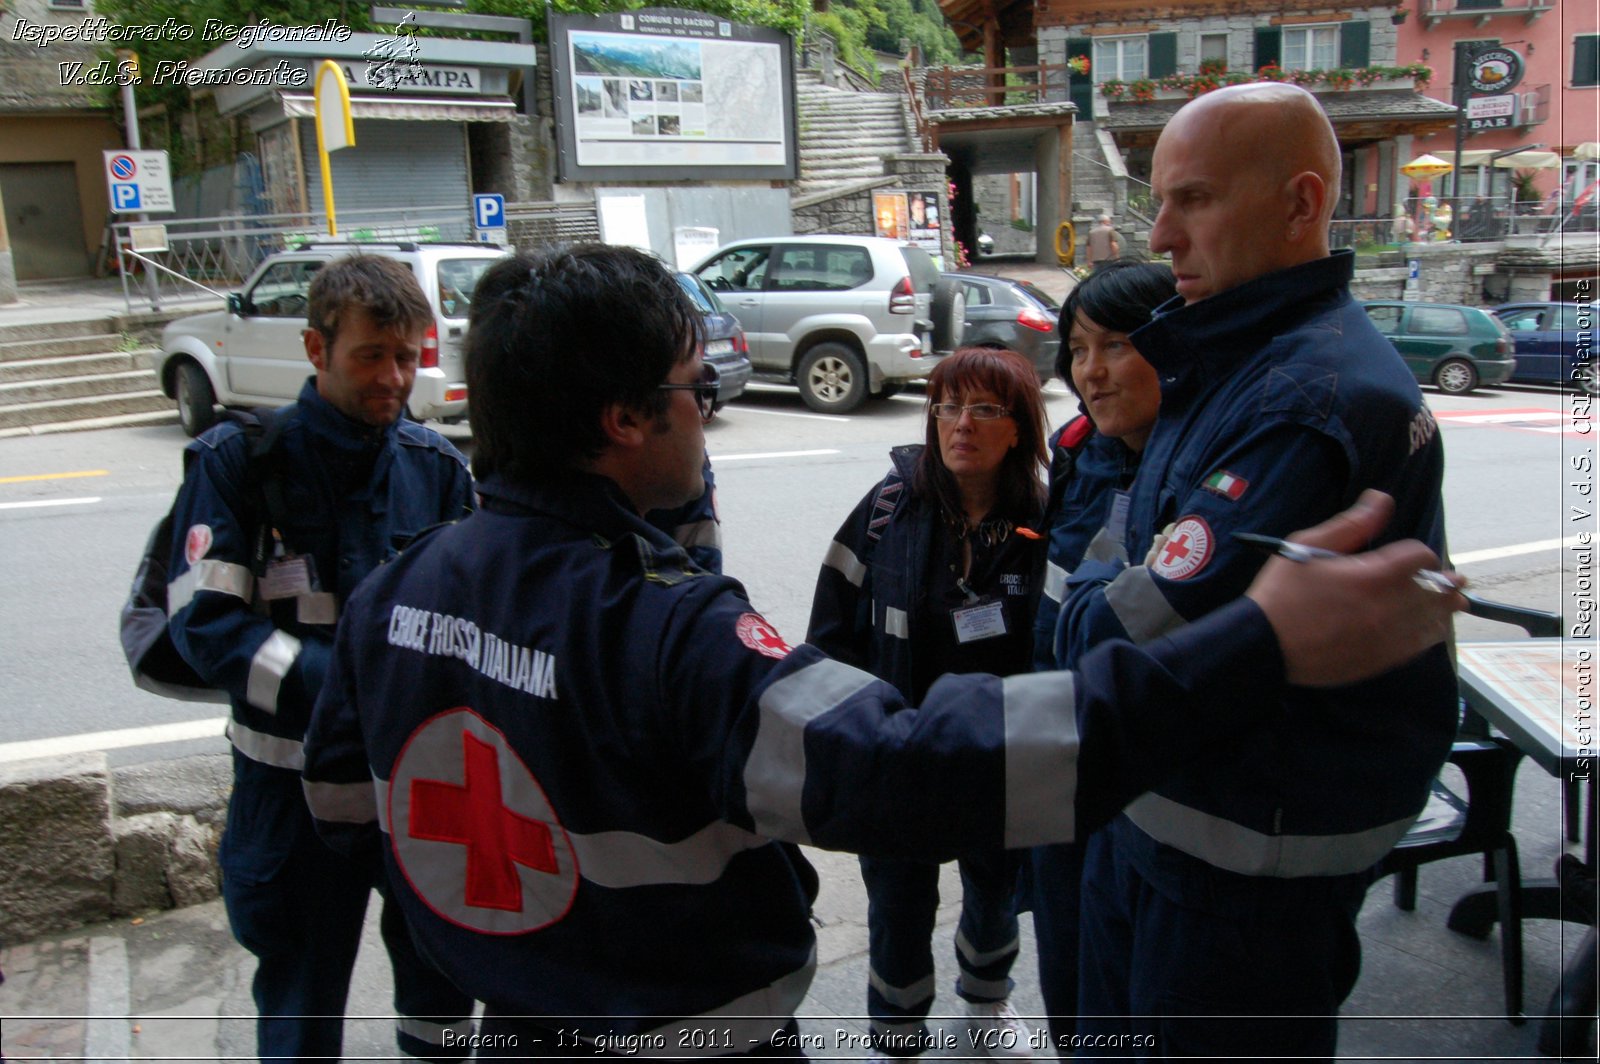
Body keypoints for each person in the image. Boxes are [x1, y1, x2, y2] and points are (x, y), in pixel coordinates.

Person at [299, 243, 1463, 1060]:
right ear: (623, 418)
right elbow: (905, 769)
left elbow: (348, 806)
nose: (706, 413)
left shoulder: (395, 589)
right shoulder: (662, 625)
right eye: (695, 389)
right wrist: (1255, 643)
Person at [1056, 83, 1459, 1059]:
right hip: (1174, 823)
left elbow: (1117, 633)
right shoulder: (1243, 356)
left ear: (1300, 202)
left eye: (1191, 200)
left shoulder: (1304, 396)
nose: (1160, 236)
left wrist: (1072, 603)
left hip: (1233, 864)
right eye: (1157, 202)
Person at [165, 254, 477, 1061]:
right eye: (370, 355)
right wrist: (335, 689)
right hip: (289, 791)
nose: (394, 378)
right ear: (315, 349)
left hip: (412, 789)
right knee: (301, 1004)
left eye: (408, 356)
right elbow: (204, 627)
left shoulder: (437, 470)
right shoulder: (238, 464)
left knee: (443, 989)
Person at [807, 347, 1050, 1059]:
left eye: (983, 409)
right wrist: (847, 738)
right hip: (899, 753)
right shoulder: (889, 507)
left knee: (994, 890)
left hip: (999, 755)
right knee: (899, 905)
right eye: (946, 406)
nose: (959, 425)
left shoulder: (1046, 516)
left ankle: (986, 1003)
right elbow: (829, 629)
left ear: (1020, 427)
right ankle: (896, 1035)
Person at [1027, 260, 1173, 1048]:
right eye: (1078, 348)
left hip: (1137, 771)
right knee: (1067, 961)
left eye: (1115, 344)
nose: (1090, 370)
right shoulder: (1081, 448)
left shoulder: (1196, 464)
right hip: (1057, 749)